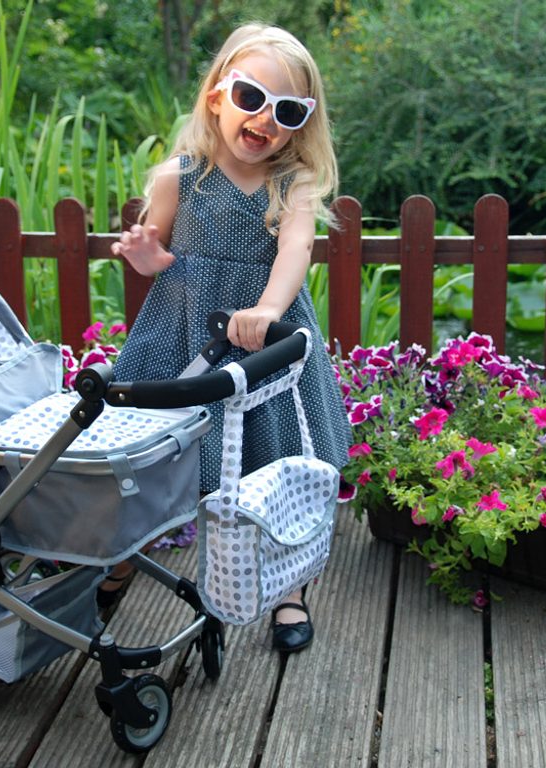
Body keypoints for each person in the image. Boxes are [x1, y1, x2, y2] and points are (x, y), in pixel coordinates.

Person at [105, 23, 350, 655]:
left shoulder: (292, 184)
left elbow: (295, 250)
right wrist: (147, 258)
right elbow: (159, 254)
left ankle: (288, 586)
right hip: (182, 334)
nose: (265, 119)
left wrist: (267, 309)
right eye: (251, 97)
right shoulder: (179, 177)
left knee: (274, 457)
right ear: (217, 96)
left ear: (301, 124)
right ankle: (122, 557)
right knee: (155, 452)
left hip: (264, 340)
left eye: (287, 111)